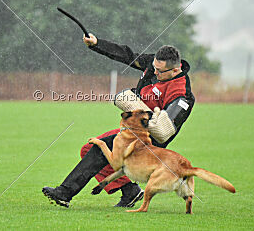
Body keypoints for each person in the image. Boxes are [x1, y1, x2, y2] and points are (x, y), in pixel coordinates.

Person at [42, 33, 195, 208]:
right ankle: (130, 191)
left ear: (175, 70)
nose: (155, 72)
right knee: (88, 149)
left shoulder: (182, 94)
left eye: (160, 71)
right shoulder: (154, 64)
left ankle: (64, 193)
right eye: (154, 68)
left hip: (150, 141)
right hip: (133, 131)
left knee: (101, 149)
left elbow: (163, 131)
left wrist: (134, 106)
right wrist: (97, 43)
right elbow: (128, 55)